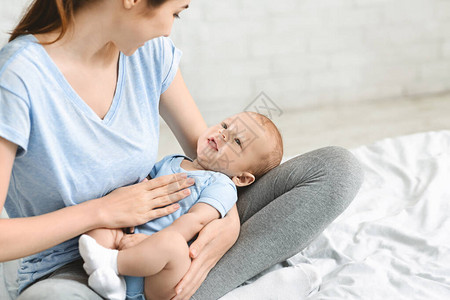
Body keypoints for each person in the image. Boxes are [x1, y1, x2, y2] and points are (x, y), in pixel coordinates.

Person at [0, 0, 364, 299]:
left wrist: (226, 221)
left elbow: (208, 159)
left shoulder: (149, 54)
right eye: (175, 12)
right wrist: (102, 212)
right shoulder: (19, 77)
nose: (169, 30)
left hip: (174, 240)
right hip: (76, 266)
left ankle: (180, 286)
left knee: (336, 169)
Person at [78, 111, 283, 300]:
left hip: (158, 276)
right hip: (127, 238)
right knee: (103, 223)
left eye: (237, 141)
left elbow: (196, 219)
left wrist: (150, 243)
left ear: (242, 178)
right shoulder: (172, 160)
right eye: (225, 125)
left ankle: (112, 263)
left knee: (173, 244)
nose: (223, 134)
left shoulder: (222, 184)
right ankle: (113, 284)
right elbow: (142, 185)